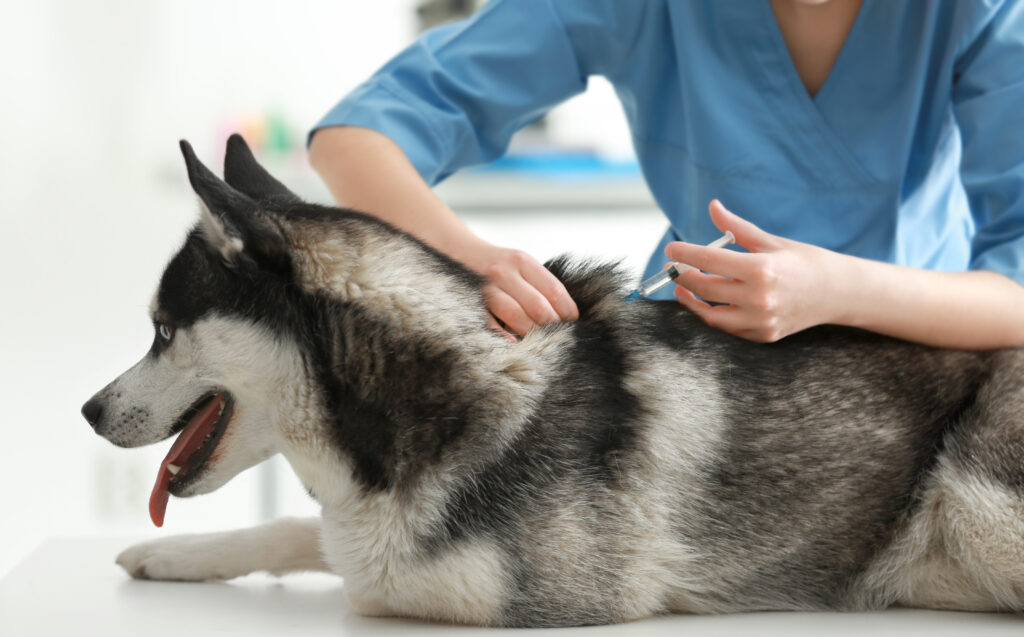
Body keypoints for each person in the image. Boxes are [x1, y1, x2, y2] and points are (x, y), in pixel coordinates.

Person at [308, 0, 1024, 349]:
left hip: (932, 373)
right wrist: (468, 260)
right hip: (693, 369)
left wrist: (836, 289)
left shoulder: (980, 12)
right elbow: (357, 134)